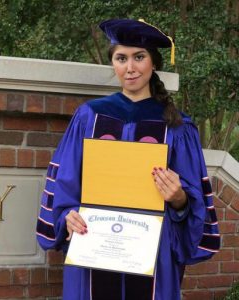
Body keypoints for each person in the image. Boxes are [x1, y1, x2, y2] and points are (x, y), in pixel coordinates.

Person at [36, 19, 220, 300]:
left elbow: (192, 200)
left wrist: (180, 198)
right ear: (113, 63)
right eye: (121, 58)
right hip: (93, 244)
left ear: (153, 64)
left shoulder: (177, 126)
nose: (130, 67)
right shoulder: (90, 116)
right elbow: (66, 180)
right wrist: (67, 215)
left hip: (152, 250)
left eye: (139, 57)